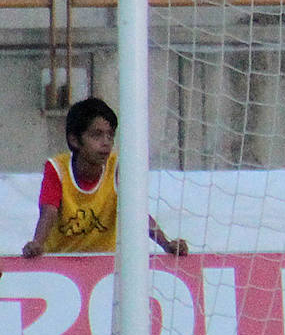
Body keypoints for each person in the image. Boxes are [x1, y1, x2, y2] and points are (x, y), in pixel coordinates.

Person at [21, 97, 188, 258]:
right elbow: (48, 211)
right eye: (97, 135)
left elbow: (137, 212)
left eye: (110, 135)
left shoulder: (117, 167)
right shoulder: (56, 168)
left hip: (103, 264)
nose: (106, 142)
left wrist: (166, 244)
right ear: (74, 140)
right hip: (61, 263)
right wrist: (37, 243)